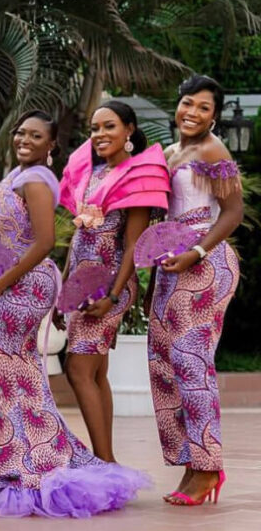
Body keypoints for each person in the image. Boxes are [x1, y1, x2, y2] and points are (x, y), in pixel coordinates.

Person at [0, 110, 149, 518]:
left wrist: (4, 281)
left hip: (22, 284)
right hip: (26, 280)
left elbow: (42, 242)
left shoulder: (39, 180)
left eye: (36, 135)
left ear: (51, 144)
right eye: (21, 132)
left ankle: (30, 457)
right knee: (11, 374)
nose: (25, 139)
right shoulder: (20, 175)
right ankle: (24, 450)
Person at [148, 75, 243, 506]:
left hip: (206, 262)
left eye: (205, 108)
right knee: (166, 365)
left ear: (215, 116)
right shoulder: (169, 153)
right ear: (178, 105)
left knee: (191, 362)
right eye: (188, 103)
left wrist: (199, 252)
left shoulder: (212, 149)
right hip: (170, 265)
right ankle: (193, 462)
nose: (193, 113)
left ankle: (208, 470)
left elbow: (233, 211)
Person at [57, 101, 169, 463]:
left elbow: (134, 244)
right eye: (94, 129)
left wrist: (114, 295)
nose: (100, 135)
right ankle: (108, 461)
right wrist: (63, 292)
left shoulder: (139, 175)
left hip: (108, 284)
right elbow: (77, 239)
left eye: (109, 127)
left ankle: (103, 462)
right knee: (97, 372)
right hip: (79, 285)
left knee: (78, 369)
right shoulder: (91, 173)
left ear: (129, 130)